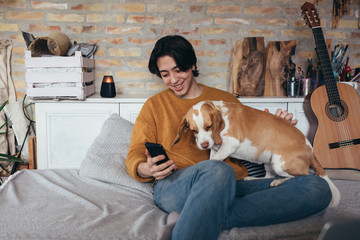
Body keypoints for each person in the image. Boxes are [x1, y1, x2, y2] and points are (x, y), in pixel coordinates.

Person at [126, 35, 331, 240]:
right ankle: (197, 221)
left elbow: (249, 138)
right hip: (177, 185)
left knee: (317, 188)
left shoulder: (225, 101)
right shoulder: (154, 106)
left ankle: (195, 217)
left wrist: (275, 130)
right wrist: (146, 169)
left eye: (178, 70)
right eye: (165, 74)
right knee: (217, 168)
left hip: (234, 184)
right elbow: (135, 152)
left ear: (192, 65)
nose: (173, 80)